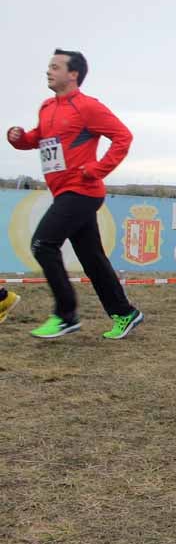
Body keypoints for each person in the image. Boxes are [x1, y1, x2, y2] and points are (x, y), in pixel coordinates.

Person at [7, 49, 144, 340]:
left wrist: (98, 169)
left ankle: (66, 315)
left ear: (73, 74)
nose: (48, 71)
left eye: (55, 67)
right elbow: (39, 139)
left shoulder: (88, 107)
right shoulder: (46, 107)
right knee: (92, 259)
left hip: (82, 190)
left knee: (43, 244)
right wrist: (19, 138)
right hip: (64, 192)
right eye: (48, 66)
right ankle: (125, 312)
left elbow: (123, 136)